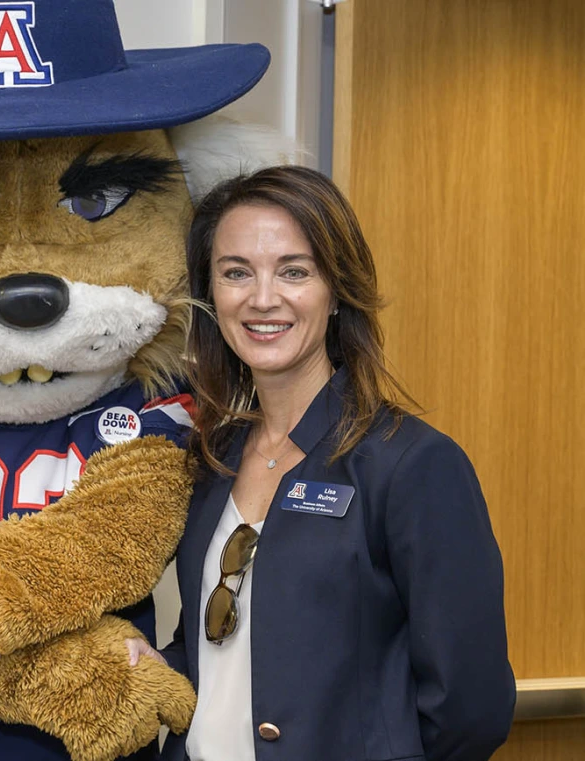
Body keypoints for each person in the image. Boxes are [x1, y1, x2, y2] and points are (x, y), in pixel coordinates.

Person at [158, 166, 515, 761]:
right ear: (210, 292)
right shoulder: (210, 459)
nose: (262, 298)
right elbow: (220, 645)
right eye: (235, 273)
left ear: (335, 292)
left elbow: (469, 710)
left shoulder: (412, 464)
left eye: (294, 272)